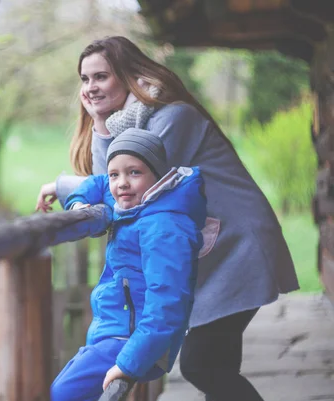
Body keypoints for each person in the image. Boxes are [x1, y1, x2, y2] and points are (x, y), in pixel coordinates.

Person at [36, 36, 300, 401]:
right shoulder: (135, 124)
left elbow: (126, 196)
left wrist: (64, 183)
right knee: (215, 365)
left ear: (129, 75)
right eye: (84, 79)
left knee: (204, 364)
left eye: (101, 76)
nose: (90, 87)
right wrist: (99, 122)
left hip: (238, 248)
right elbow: (114, 179)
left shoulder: (172, 117)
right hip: (213, 249)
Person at [50, 128, 206, 401]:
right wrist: (77, 204)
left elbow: (168, 306)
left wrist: (128, 364)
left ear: (158, 175)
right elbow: (99, 184)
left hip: (132, 341)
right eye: (115, 174)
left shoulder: (163, 227)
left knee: (58, 394)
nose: (121, 183)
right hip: (118, 335)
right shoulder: (141, 201)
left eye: (134, 172)